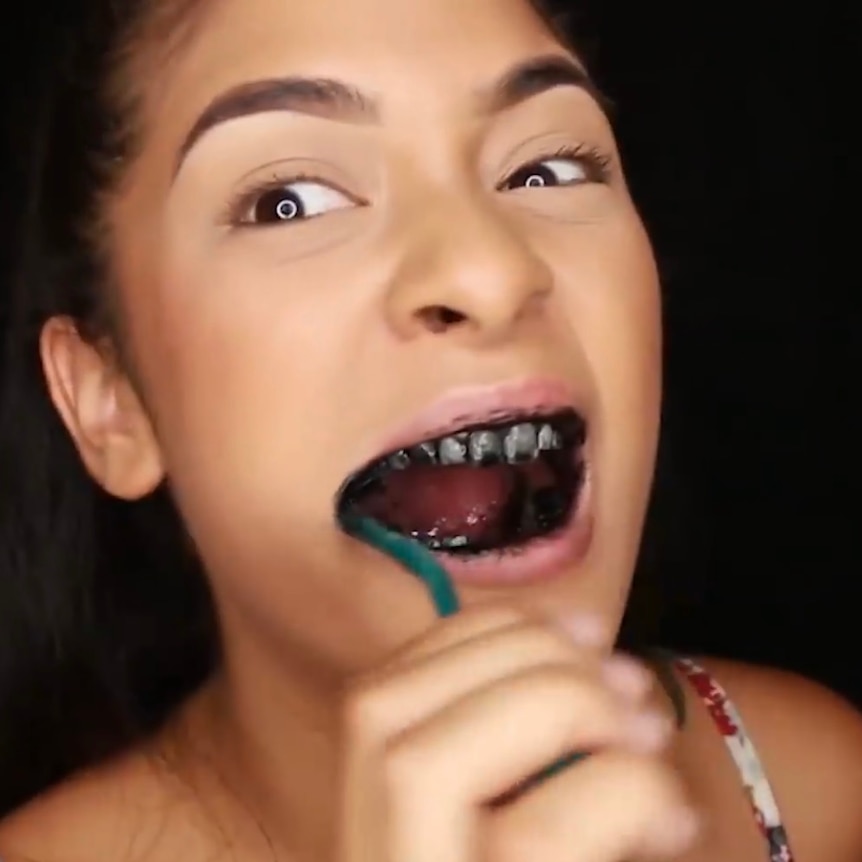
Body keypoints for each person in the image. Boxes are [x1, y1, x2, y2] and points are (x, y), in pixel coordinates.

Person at [0, 0, 860, 860]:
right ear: (110, 400)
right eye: (290, 202)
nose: (490, 271)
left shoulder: (818, 790)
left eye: (546, 169)